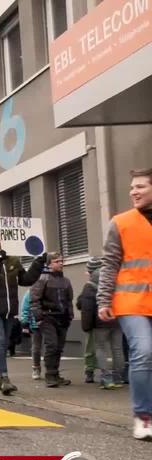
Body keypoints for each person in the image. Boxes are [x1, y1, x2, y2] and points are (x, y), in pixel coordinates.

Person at [97, 167, 152, 441]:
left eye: (140, 186)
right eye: (132, 187)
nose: (133, 191)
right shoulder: (121, 222)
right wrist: (103, 299)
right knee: (143, 351)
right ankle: (143, 416)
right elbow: (109, 265)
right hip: (131, 301)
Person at [0, 229, 46, 396]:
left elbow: (25, 279)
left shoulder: (12, 259)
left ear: (0, 240)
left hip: (9, 311)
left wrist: (38, 263)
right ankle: (5, 378)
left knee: (5, 344)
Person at [78, 257, 125, 390]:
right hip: (116, 320)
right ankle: (118, 377)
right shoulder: (113, 278)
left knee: (101, 348)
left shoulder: (90, 285)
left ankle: (106, 378)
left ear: (90, 271)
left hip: (100, 322)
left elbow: (87, 308)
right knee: (117, 349)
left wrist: (86, 326)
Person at [30, 253, 74, 388]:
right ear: (49, 264)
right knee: (52, 345)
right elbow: (35, 299)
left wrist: (70, 315)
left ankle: (55, 374)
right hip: (47, 317)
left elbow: (69, 300)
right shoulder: (42, 279)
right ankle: (50, 374)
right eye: (56, 261)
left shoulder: (66, 281)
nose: (60, 263)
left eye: (61, 261)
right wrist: (38, 317)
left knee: (59, 348)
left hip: (62, 318)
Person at [20, 286, 43, 380]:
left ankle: (52, 370)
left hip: (49, 323)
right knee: (36, 348)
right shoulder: (30, 292)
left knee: (52, 347)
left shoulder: (49, 288)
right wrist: (25, 323)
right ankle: (36, 368)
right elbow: (25, 308)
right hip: (35, 324)